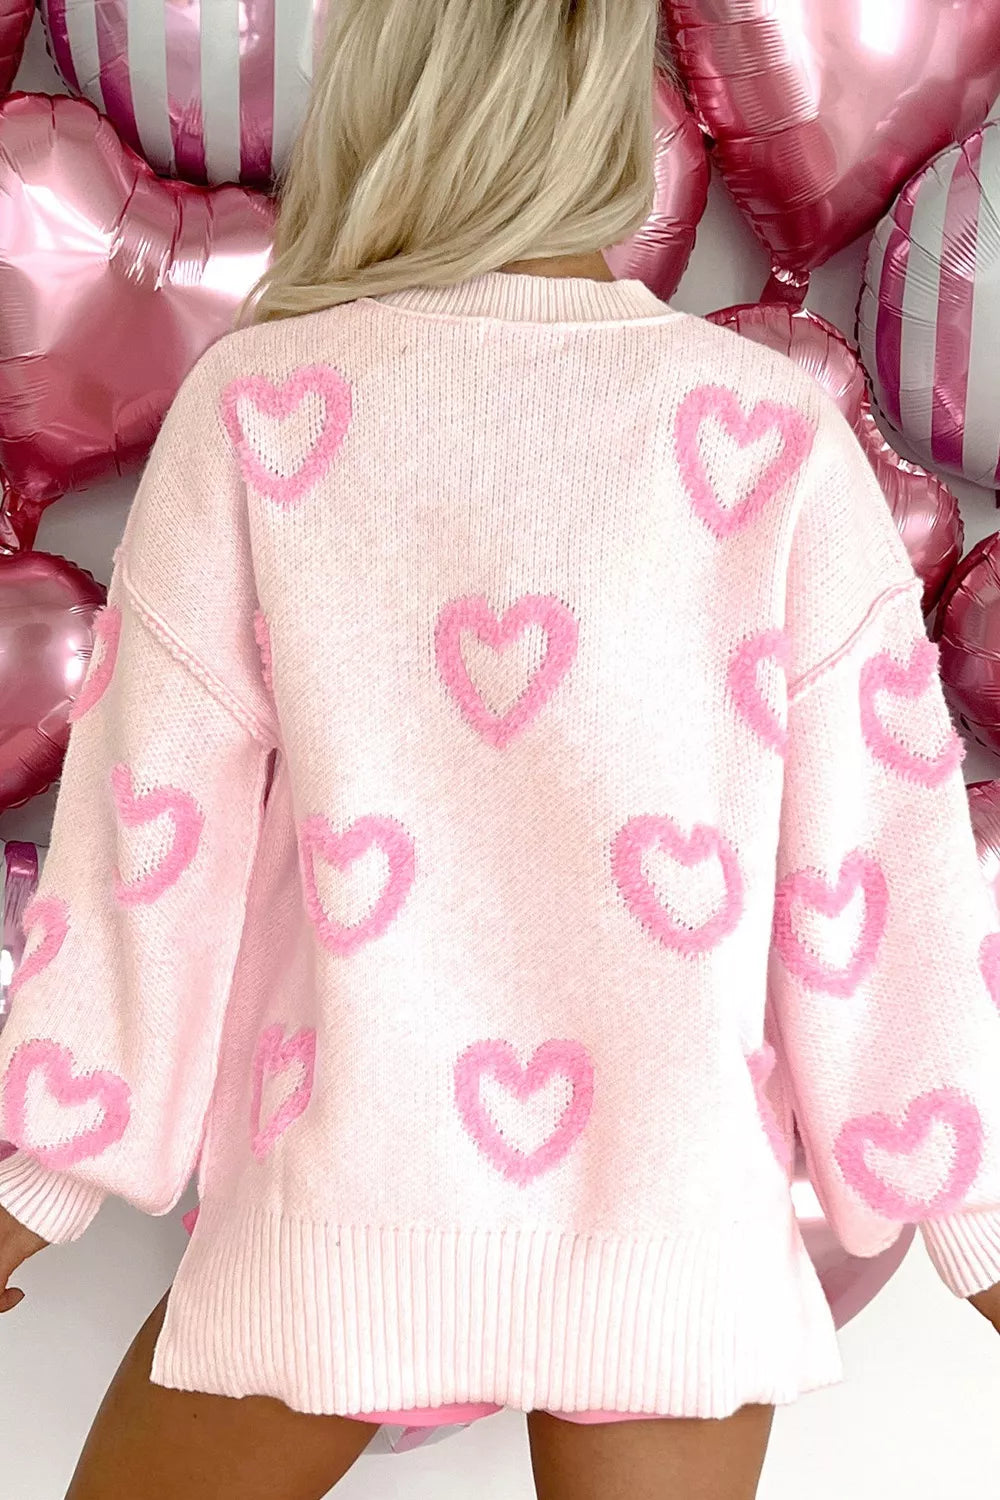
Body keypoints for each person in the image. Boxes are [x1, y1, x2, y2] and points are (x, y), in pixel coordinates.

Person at [2, 1, 1000, 1496]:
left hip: (342, 1207)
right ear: (612, 120)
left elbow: (154, 844)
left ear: (380, 97)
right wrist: (971, 1217)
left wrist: (40, 1186)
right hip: (670, 1225)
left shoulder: (266, 408)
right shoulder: (768, 430)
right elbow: (880, 868)